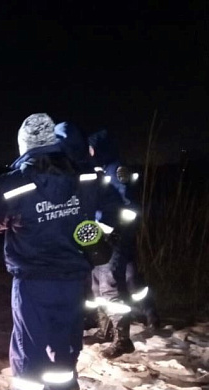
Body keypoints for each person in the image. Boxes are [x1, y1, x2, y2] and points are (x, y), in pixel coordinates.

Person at [0, 113, 122, 390]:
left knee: (29, 348)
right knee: (67, 343)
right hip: (74, 280)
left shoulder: (18, 182)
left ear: (24, 144)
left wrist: (17, 222)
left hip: (33, 281)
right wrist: (96, 231)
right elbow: (109, 204)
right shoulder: (83, 175)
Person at [88, 130, 160, 359]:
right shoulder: (100, 171)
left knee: (108, 285)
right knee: (105, 282)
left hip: (113, 238)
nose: (88, 153)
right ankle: (106, 330)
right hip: (106, 236)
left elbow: (125, 207)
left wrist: (111, 231)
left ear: (101, 149)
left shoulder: (118, 171)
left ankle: (123, 339)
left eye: (91, 149)